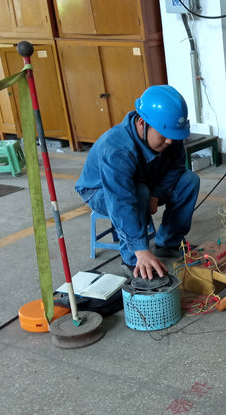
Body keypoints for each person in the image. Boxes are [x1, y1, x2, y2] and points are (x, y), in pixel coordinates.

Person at [75, 85, 199, 279]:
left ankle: (168, 243)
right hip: (99, 190)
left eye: (173, 136)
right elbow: (120, 201)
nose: (170, 142)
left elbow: (176, 167)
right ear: (142, 123)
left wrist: (156, 194)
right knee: (139, 192)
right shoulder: (117, 149)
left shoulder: (168, 133)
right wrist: (140, 249)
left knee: (189, 181)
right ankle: (133, 260)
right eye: (164, 136)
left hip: (144, 180)